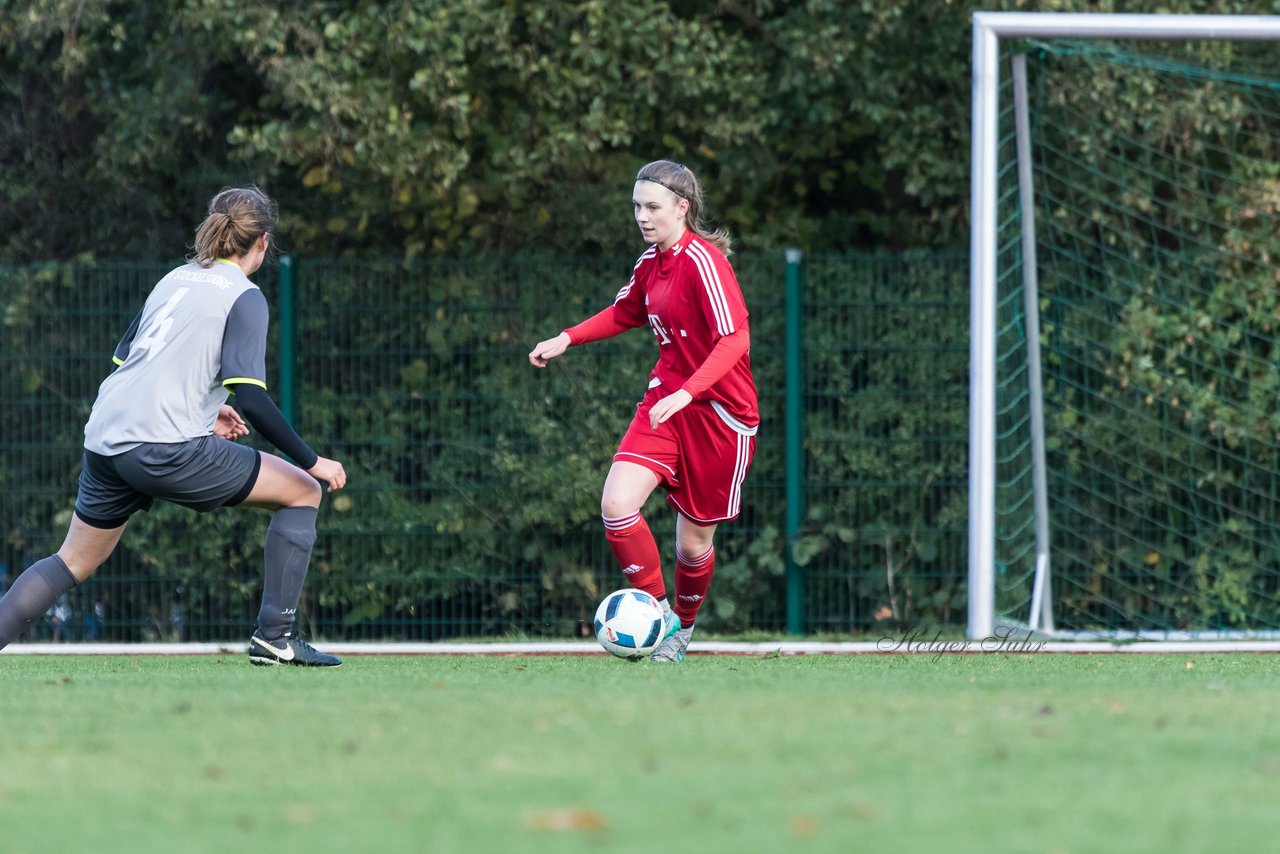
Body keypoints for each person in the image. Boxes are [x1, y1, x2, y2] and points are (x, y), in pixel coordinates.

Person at [0, 187, 347, 666]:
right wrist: (313, 460)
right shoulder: (245, 297)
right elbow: (253, 398)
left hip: (105, 441)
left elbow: (130, 361)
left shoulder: (175, 278)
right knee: (304, 490)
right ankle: (276, 636)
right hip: (164, 448)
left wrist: (208, 409)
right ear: (262, 243)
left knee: (73, 561)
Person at [529, 160, 758, 662]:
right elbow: (624, 313)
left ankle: (683, 629)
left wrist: (691, 391)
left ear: (683, 207)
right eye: (637, 206)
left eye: (652, 206)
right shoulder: (649, 263)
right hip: (665, 405)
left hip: (721, 416)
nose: (642, 216)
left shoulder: (706, 263)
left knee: (693, 546)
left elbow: (735, 337)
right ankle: (659, 613)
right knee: (616, 505)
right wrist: (567, 338)